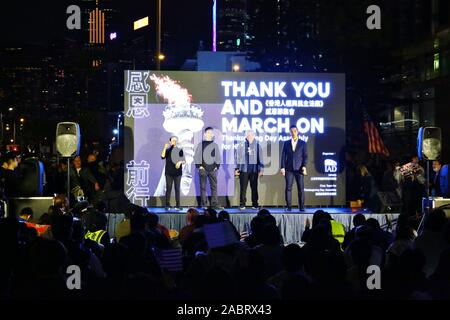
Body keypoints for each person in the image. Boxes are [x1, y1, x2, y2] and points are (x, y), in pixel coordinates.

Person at [194, 127, 223, 210]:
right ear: (205, 134)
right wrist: (199, 166)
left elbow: (218, 157)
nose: (210, 134)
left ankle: (214, 204)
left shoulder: (215, 145)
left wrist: (217, 166)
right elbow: (196, 156)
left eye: (211, 133)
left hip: (212, 170)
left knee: (214, 187)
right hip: (203, 169)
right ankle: (204, 204)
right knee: (203, 187)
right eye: (209, 132)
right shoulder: (201, 144)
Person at [280, 125, 308, 212]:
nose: (293, 132)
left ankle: (302, 207)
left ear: (298, 131)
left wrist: (304, 166)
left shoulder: (303, 143)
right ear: (290, 132)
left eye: (295, 131)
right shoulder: (286, 143)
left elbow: (305, 156)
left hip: (299, 169)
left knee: (301, 188)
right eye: (291, 131)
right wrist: (282, 167)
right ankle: (289, 207)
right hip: (288, 169)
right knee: (288, 188)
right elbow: (283, 156)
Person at [235, 130, 264, 210]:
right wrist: (236, 169)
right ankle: (242, 204)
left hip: (254, 170)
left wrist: (261, 169)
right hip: (244, 170)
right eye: (248, 135)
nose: (249, 136)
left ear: (253, 136)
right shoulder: (241, 145)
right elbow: (237, 157)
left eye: (251, 135)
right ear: (246, 136)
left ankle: (255, 204)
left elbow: (261, 158)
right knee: (243, 188)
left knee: (254, 188)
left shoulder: (258, 146)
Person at [161, 136, 185, 210]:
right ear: (170, 142)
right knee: (169, 188)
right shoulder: (167, 150)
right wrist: (165, 148)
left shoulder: (180, 150)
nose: (174, 142)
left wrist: (180, 162)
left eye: (175, 140)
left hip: (178, 173)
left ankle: (178, 205)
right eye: (173, 140)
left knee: (177, 188)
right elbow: (162, 156)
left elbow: (184, 160)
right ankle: (167, 205)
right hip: (169, 172)